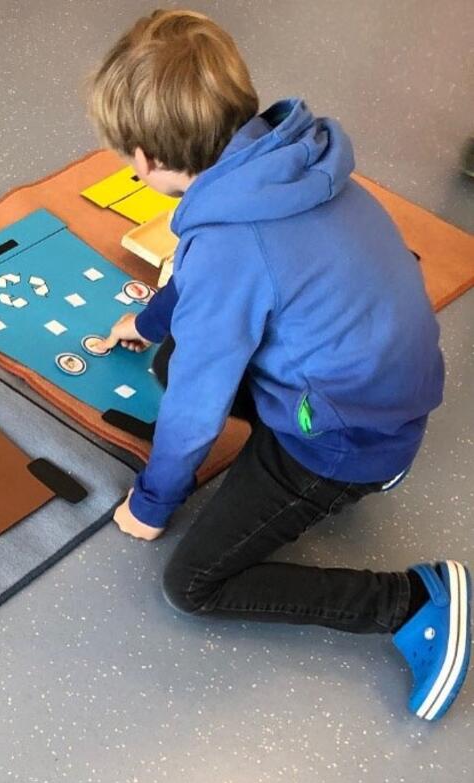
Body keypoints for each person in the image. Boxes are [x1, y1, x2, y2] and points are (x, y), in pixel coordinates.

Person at [89, 9, 468, 721]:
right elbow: (211, 276)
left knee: (192, 583)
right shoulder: (283, 163)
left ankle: (411, 602)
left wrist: (152, 502)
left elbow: (198, 405)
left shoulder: (230, 243)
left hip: (343, 439)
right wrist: (147, 319)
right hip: (371, 383)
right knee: (176, 354)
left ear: (142, 158)